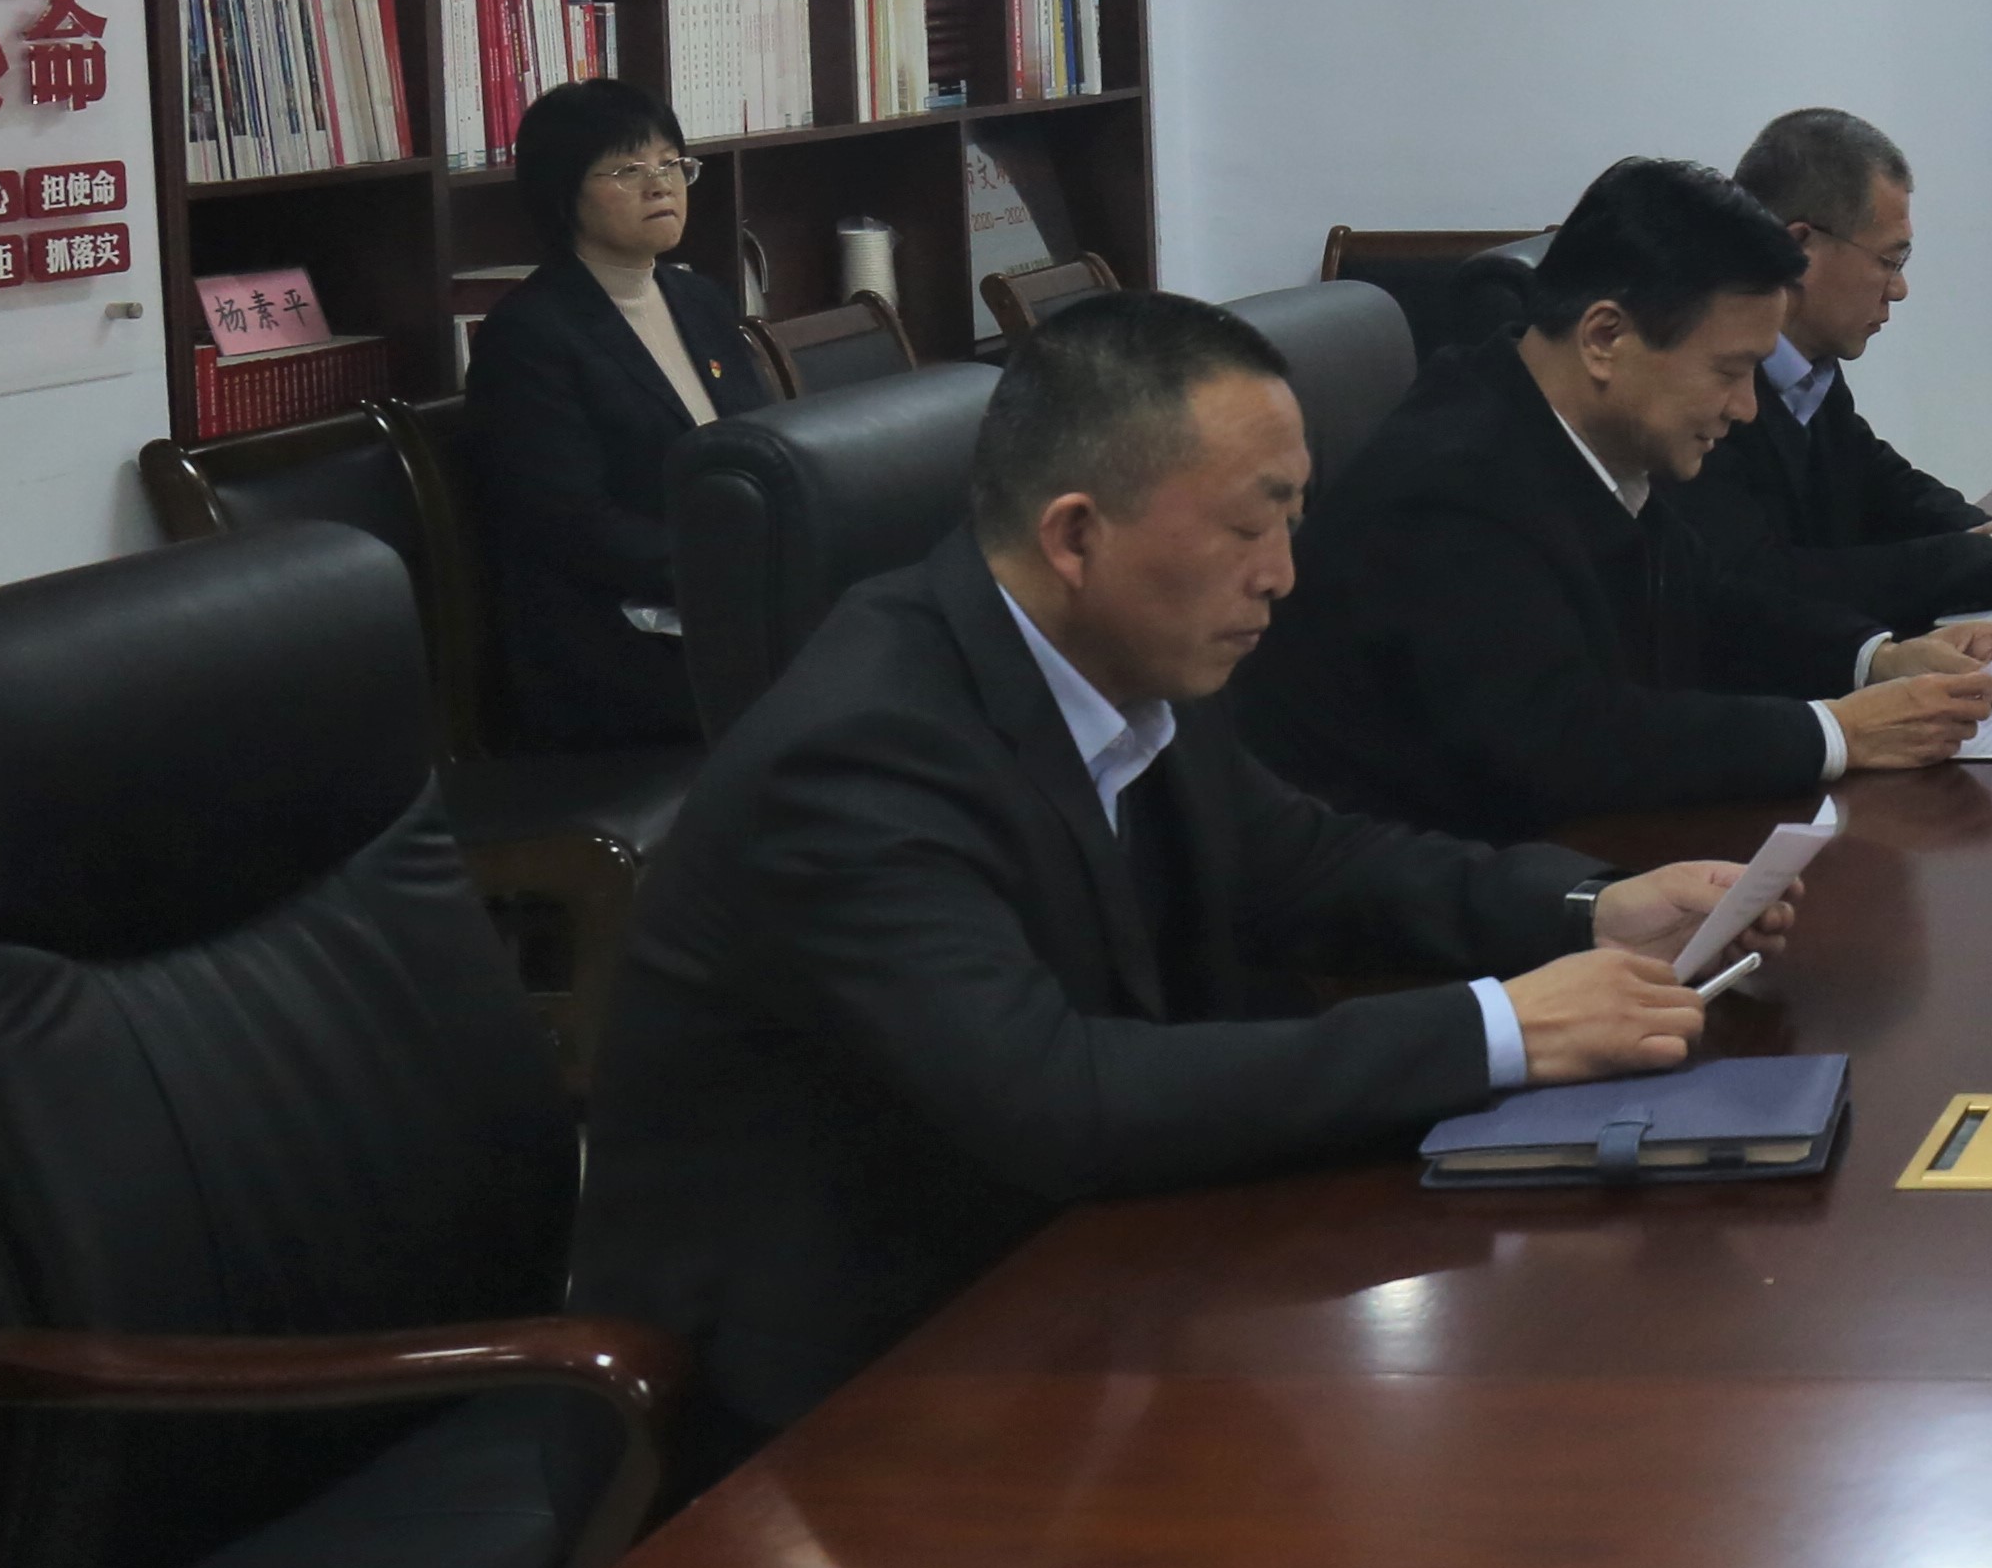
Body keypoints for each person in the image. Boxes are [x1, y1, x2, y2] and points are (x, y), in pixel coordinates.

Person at [574, 293, 1781, 1470]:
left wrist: (1590, 906)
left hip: (1058, 1290)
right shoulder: (862, 755)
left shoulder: (1119, 655)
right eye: (1253, 525)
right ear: (1076, 536)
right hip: (831, 1413)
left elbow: (1308, 859)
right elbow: (1051, 1096)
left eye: (1295, 519)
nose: (1284, 574)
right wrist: (1500, 1030)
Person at [1238, 158, 1992, 841]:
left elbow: (1711, 600)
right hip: (1415, 903)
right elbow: (1565, 740)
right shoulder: (1452, 489)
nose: (1746, 408)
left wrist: (1876, 660)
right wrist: (1834, 732)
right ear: (1605, 338)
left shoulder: (1569, 435)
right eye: (1728, 371)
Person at [1666, 106, 1992, 674]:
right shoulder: (1699, 386)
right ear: (1801, 249)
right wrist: (1983, 561)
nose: (1900, 289)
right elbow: (1758, 582)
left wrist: (1986, 532)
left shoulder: (1809, 368)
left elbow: (1878, 483)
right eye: (1889, 260)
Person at [457, 74, 759, 751]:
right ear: (562, 193)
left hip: (734, 598)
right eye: (628, 170)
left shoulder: (701, 301)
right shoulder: (530, 334)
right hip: (616, 640)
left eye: (672, 164)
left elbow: (761, 445)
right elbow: (571, 525)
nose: (661, 185)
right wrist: (728, 570)